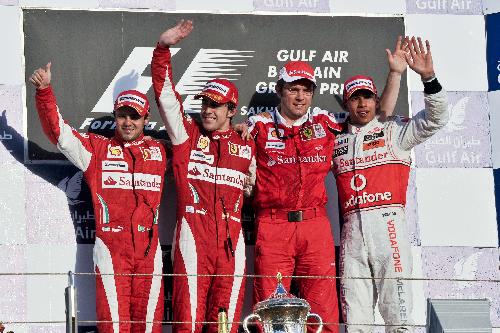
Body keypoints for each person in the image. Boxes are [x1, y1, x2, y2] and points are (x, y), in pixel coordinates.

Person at [245, 37, 409, 333]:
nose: (299, 96)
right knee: (271, 311)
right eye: (293, 89)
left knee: (323, 310)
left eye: (306, 90)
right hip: (273, 226)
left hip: (315, 226)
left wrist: (395, 74)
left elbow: (376, 117)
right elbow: (225, 134)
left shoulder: (327, 122)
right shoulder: (258, 125)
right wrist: (236, 127)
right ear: (280, 90)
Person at [30, 64, 167, 333]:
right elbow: (60, 134)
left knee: (150, 327)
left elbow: (201, 147)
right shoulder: (97, 149)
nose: (128, 122)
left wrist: (238, 130)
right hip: (111, 252)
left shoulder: (160, 150)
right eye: (122, 116)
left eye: (134, 116)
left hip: (150, 255)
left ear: (145, 119)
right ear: (115, 117)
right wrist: (45, 92)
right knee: (113, 327)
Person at [332, 37, 448, 333]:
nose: (362, 104)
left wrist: (428, 78)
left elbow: (437, 120)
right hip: (351, 233)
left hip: (389, 228)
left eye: (367, 97)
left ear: (375, 99)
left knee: (399, 316)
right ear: (347, 102)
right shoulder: (336, 141)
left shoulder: (394, 131)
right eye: (355, 98)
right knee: (356, 321)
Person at [151, 20, 256, 333]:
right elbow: (166, 97)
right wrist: (162, 50)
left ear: (232, 110)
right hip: (193, 241)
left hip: (231, 248)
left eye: (216, 105)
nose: (208, 110)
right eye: (205, 103)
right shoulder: (186, 136)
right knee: (189, 322)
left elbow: (259, 189)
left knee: (225, 326)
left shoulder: (247, 147)